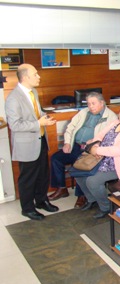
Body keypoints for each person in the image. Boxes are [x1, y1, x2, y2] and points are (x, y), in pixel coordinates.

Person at [5, 63, 58, 220]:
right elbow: (14, 125)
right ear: (26, 77)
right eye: (35, 74)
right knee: (28, 177)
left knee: (43, 174)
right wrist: (38, 123)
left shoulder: (33, 91)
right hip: (26, 144)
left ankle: (42, 201)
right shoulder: (13, 98)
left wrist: (45, 118)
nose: (39, 76)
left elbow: (38, 112)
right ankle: (27, 208)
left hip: (40, 140)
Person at [48, 92, 118, 208]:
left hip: (90, 150)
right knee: (56, 158)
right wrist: (67, 143)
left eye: (93, 103)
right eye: (89, 104)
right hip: (75, 146)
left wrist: (95, 144)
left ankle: (82, 195)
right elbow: (70, 127)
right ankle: (61, 188)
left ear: (102, 103)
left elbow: (109, 138)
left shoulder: (110, 117)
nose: (90, 106)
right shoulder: (84, 112)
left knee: (81, 166)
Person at [76, 102, 120, 219]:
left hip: (118, 165)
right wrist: (96, 144)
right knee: (79, 173)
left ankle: (105, 207)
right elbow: (100, 135)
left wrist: (98, 151)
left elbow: (119, 150)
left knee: (92, 181)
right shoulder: (115, 123)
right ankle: (92, 199)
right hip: (102, 157)